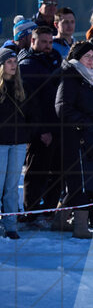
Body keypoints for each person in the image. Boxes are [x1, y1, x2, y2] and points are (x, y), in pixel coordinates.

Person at [56, 40, 93, 239]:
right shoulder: (70, 76)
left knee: (85, 179)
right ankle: (80, 226)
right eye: (87, 56)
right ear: (77, 57)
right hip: (74, 136)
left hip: (89, 135)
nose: (91, 60)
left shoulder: (88, 77)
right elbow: (62, 107)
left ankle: (59, 221)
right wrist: (85, 123)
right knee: (79, 180)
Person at [18, 25, 62, 215]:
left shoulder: (54, 59)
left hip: (57, 124)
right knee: (36, 172)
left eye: (50, 42)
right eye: (43, 42)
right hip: (39, 129)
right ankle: (32, 212)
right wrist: (41, 130)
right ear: (33, 41)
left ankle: (49, 211)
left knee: (57, 172)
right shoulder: (26, 66)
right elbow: (29, 104)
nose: (47, 46)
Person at [0, 48, 28, 239]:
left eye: (15, 61)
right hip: (1, 143)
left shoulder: (21, 87)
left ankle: (11, 225)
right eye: (9, 62)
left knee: (11, 187)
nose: (13, 65)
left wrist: (28, 134)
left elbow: (30, 113)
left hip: (18, 142)